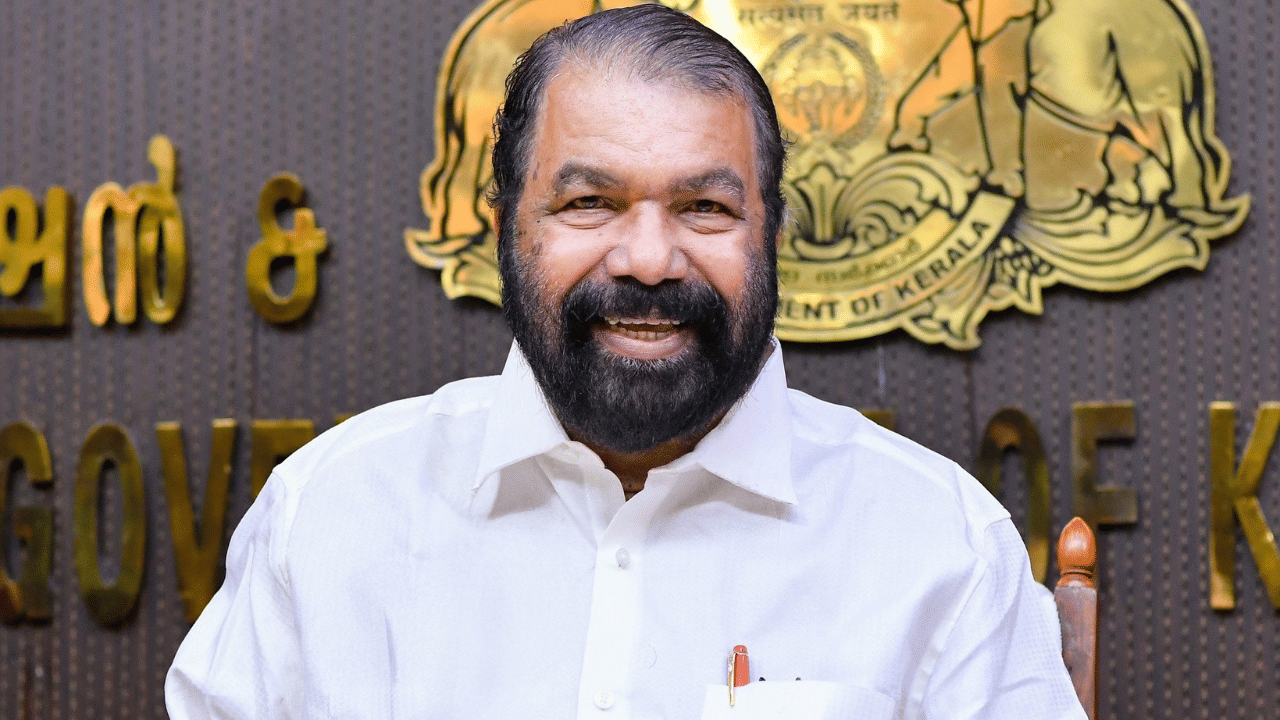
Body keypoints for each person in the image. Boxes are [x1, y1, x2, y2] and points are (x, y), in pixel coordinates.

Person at [166, 5, 1086, 719]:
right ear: (506, 229)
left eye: (705, 208)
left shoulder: (941, 549)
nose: (648, 259)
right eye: (591, 203)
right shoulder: (329, 517)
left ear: (772, 237)